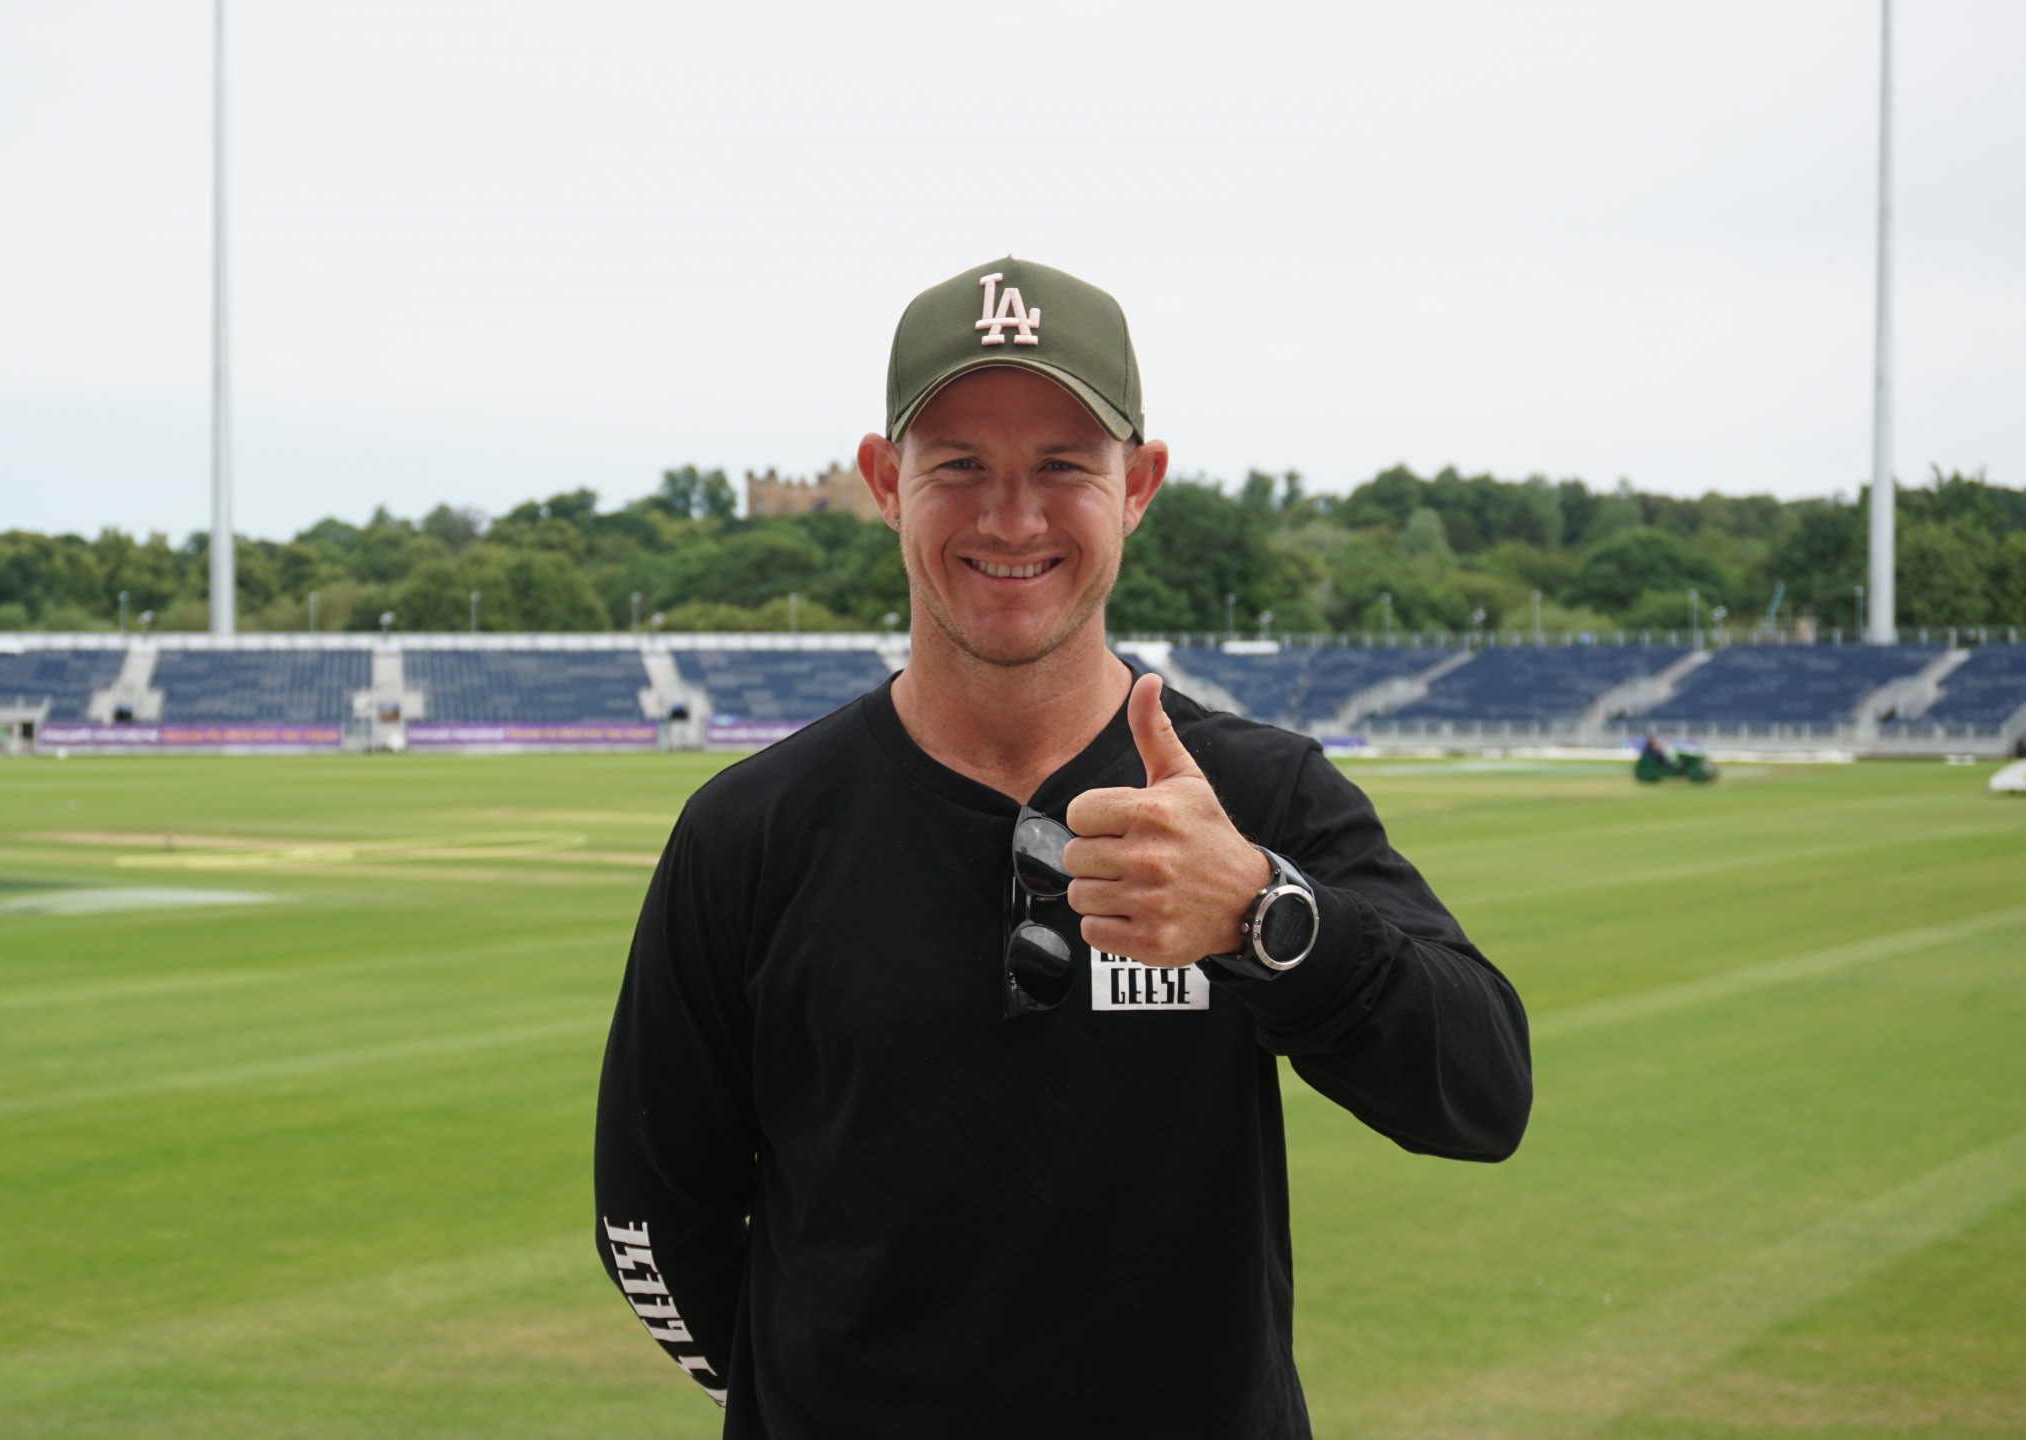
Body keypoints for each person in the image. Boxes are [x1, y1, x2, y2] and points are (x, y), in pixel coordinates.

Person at [594, 256, 1531, 1437]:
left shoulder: (1252, 794)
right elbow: (649, 1215)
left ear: (1139, 485)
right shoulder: (752, 830)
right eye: (960, 466)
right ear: (885, 482)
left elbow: (1483, 1095)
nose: (1011, 517)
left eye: (1062, 467)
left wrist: (1263, 917)